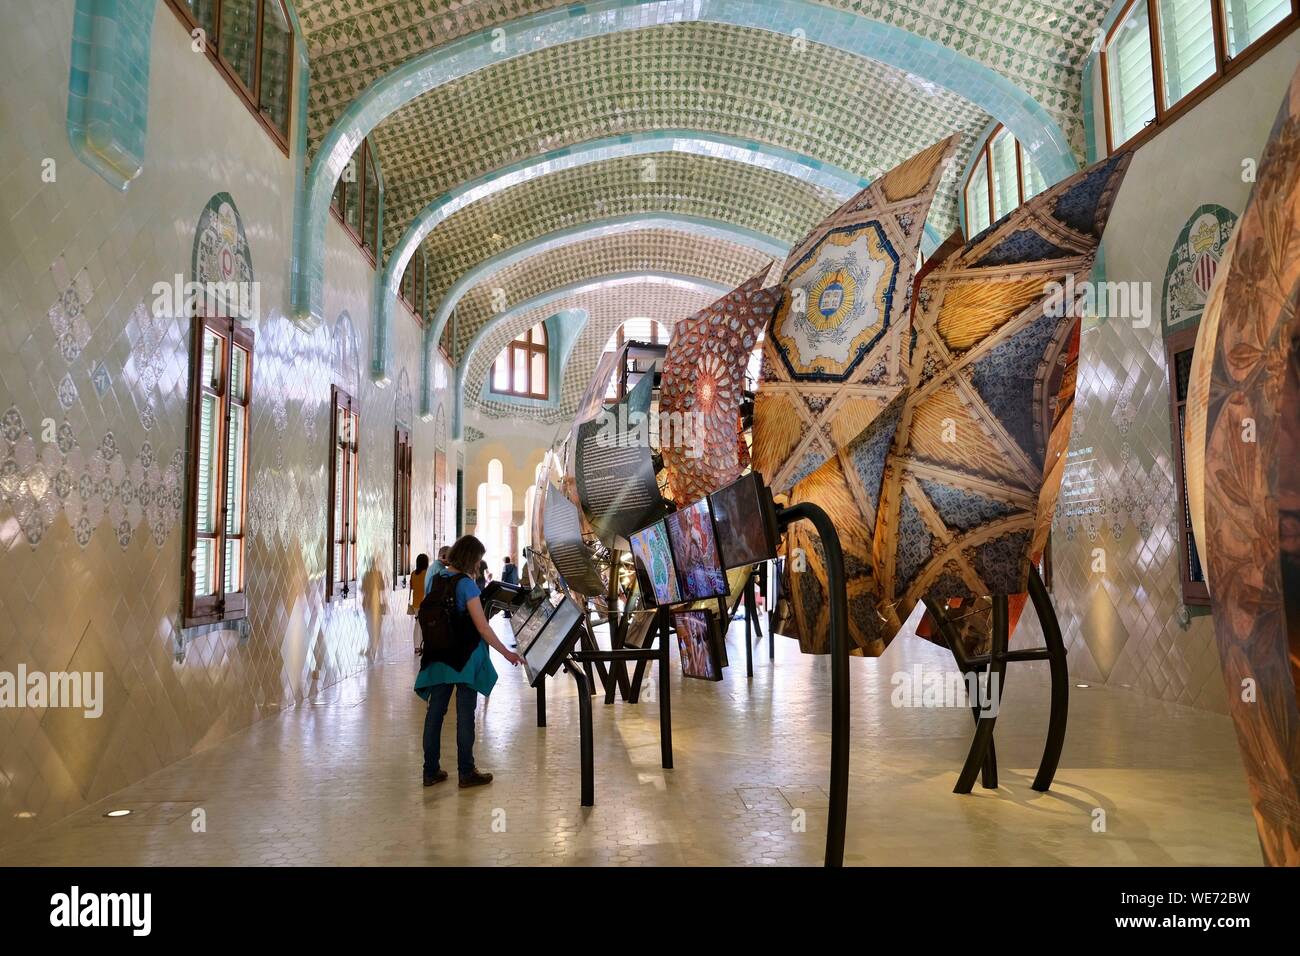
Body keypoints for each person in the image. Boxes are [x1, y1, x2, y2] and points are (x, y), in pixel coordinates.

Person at [415, 535, 521, 789]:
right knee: (465, 715)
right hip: (464, 658)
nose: (478, 564)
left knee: (434, 715)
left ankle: (430, 771)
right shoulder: (467, 585)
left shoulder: (436, 579)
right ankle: (466, 771)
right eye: (478, 559)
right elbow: (482, 628)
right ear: (470, 558)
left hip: (438, 655)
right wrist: (508, 653)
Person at [408, 553, 430, 655]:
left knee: (418, 624)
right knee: (422, 625)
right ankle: (420, 645)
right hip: (425, 603)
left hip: (416, 603)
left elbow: (411, 587)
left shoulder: (413, 574)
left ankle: (417, 646)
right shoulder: (427, 573)